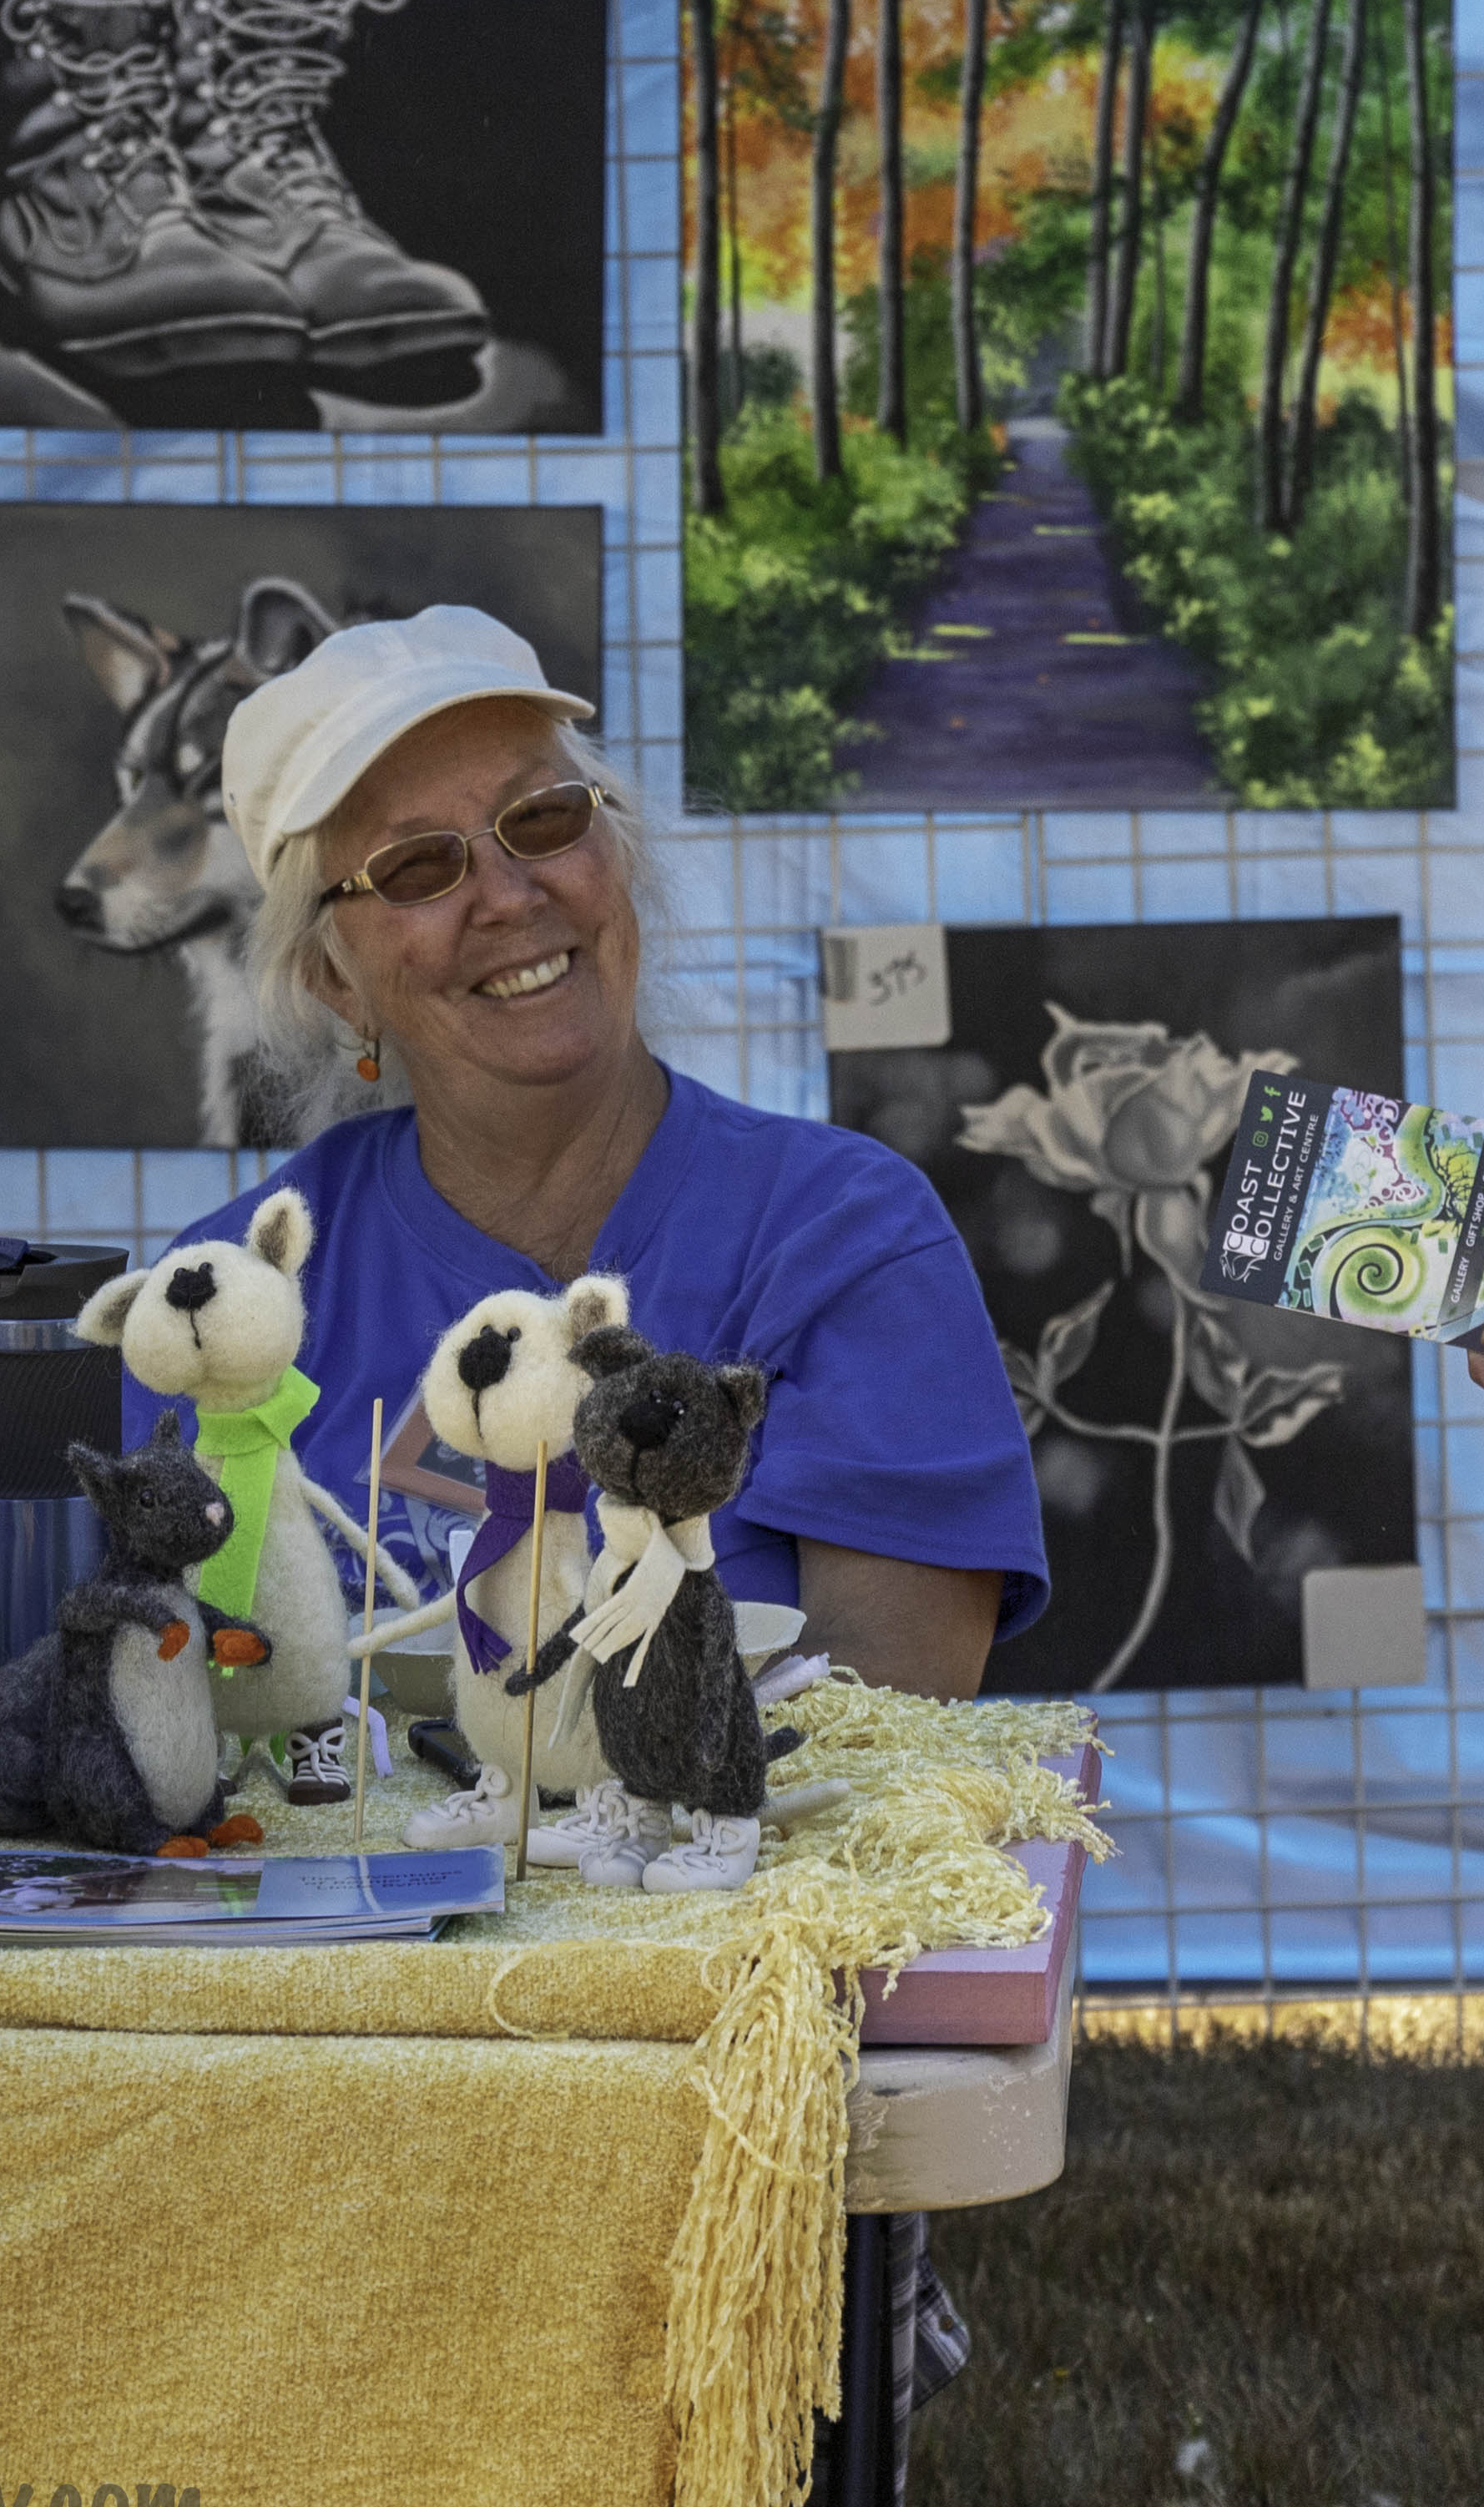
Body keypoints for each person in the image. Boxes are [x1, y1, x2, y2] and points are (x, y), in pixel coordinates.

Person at [117, 605, 1046, 1830]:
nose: (507, 892)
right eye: (416, 866)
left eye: (542, 819)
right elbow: (152, 1719)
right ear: (335, 979)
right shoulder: (232, 1297)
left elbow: (877, 1744)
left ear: (614, 857)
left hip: (711, 1979)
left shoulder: (841, 1235)